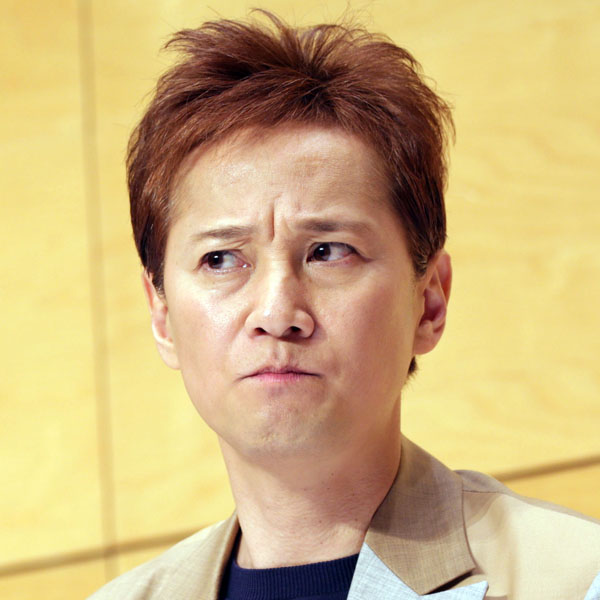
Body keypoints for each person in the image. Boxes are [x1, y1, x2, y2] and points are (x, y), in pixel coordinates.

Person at [89, 11, 600, 600]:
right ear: (161, 316)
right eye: (222, 259)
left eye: (328, 252)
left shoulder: (575, 578)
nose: (276, 313)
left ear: (429, 302)